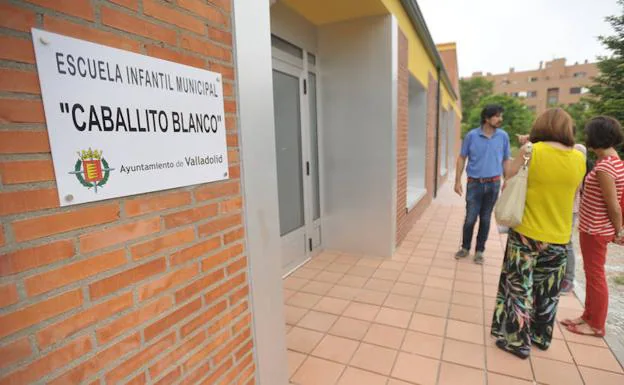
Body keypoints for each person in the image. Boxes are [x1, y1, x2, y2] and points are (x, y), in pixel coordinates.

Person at [491, 108, 585, 359]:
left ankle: (517, 342)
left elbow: (509, 175)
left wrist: (524, 150)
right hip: (559, 236)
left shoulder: (531, 151)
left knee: (520, 287)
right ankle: (541, 337)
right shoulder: (579, 158)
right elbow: (574, 190)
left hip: (526, 233)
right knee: (548, 292)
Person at [562, 116, 624, 337]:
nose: (586, 138)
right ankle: (587, 316)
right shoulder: (613, 161)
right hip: (594, 228)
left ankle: (596, 324)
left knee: (595, 276)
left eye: (589, 134)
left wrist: (620, 231)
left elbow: (613, 205)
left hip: (595, 230)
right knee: (591, 274)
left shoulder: (605, 167)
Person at [519, 133, 587, 294]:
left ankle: (568, 279)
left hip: (568, 208)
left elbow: (577, 185)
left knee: (566, 244)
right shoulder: (543, 150)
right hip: (556, 208)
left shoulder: (578, 151)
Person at [454, 104, 510, 264]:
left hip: (493, 184)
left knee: (485, 219)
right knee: (470, 218)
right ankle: (465, 248)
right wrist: (457, 180)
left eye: (501, 116)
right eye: (497, 116)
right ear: (487, 118)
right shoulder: (471, 136)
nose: (500, 119)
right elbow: (461, 157)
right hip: (474, 184)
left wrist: (507, 180)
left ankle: (479, 251)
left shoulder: (503, 136)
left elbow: (506, 159)